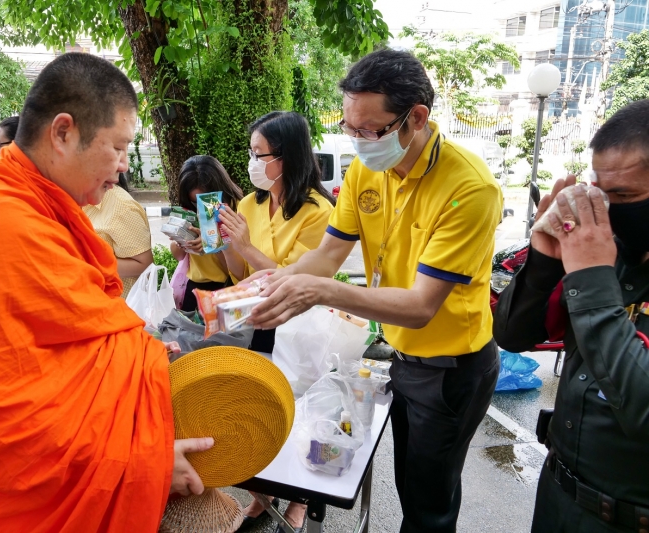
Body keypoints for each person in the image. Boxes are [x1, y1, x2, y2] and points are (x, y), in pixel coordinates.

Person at [0, 53, 212, 532]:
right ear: (63, 133)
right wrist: (147, 459)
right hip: (37, 496)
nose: (123, 167)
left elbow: (87, 345)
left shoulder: (43, 211)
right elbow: (11, 419)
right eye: (118, 147)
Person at [245, 50, 503, 533]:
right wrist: (273, 283)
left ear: (417, 117)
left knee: (428, 500)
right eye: (349, 128)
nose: (358, 142)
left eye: (369, 130)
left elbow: (421, 306)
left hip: (452, 368)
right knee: (407, 479)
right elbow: (326, 255)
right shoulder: (367, 170)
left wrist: (317, 292)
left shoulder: (469, 188)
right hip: (402, 358)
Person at [493, 100, 649, 533]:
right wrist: (544, 261)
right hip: (559, 499)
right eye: (602, 193)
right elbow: (512, 334)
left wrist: (594, 279)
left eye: (627, 197)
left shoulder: (601, 261)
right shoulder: (612, 254)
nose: (610, 211)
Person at [219, 111, 334, 533]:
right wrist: (223, 245)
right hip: (256, 320)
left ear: (285, 158)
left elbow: (300, 281)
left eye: (258, 153)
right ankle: (262, 494)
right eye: (251, 152)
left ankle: (301, 499)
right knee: (255, 407)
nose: (251, 162)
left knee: (298, 411)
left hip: (299, 324)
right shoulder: (250, 203)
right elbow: (239, 274)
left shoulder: (319, 212)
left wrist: (247, 247)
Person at [172, 155, 243, 312]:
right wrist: (182, 240)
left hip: (223, 290)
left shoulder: (238, 211)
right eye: (194, 201)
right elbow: (178, 256)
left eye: (206, 200)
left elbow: (238, 274)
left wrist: (212, 244)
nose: (200, 207)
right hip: (192, 289)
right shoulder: (189, 211)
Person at [83, 172, 153, 298]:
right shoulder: (74, 197)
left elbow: (144, 264)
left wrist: (89, 262)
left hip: (117, 305)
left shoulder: (123, 207)